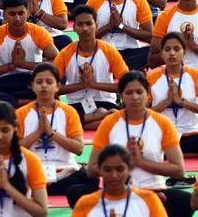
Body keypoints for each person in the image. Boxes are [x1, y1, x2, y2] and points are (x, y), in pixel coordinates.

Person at [70, 71, 189, 212]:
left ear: (147, 93)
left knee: (185, 201)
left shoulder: (162, 123)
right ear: (121, 95)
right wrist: (119, 168)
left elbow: (178, 169)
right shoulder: (110, 122)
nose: (135, 97)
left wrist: (141, 162)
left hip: (152, 190)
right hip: (114, 192)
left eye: (139, 92)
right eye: (129, 93)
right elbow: (92, 169)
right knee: (74, 192)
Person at [16, 63, 97, 194]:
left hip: (64, 172)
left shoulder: (68, 112)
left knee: (91, 178)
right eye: (39, 82)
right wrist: (37, 133)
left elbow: (79, 149)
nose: (44, 85)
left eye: (49, 82)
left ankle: (43, 188)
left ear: (58, 86)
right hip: (32, 172)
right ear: (32, 86)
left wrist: (51, 133)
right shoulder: (21, 114)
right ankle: (42, 187)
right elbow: (13, 151)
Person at [0, 0, 58, 106]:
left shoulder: (38, 32)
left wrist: (24, 64)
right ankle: (27, 102)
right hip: (6, 81)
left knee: (54, 84)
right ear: (4, 15)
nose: (17, 18)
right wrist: (11, 66)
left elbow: (57, 62)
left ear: (28, 13)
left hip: (32, 79)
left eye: (21, 13)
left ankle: (16, 102)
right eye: (12, 14)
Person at [53, 4, 128, 127]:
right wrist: (81, 85)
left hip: (105, 101)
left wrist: (94, 85)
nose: (85, 29)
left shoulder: (109, 51)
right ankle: (98, 119)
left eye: (89, 24)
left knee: (109, 113)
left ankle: (87, 121)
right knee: (112, 117)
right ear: (74, 28)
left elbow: (126, 85)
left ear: (96, 25)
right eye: (80, 25)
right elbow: (53, 88)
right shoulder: (65, 53)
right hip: (76, 104)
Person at [71, 144, 168, 216]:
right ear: (100, 170)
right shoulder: (85, 203)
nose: (114, 175)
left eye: (120, 169)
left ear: (129, 169)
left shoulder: (149, 199)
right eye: (108, 169)